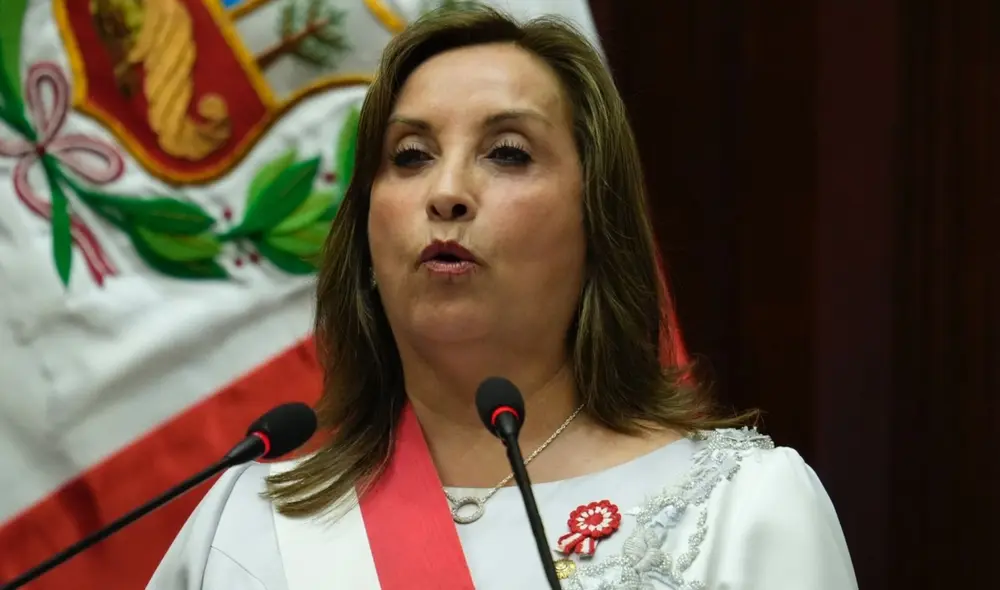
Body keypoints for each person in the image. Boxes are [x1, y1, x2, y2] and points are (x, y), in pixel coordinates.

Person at [148, 4, 858, 589]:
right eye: (410, 157)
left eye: (508, 152)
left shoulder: (745, 511)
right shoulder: (246, 525)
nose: (447, 192)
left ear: (597, 220)